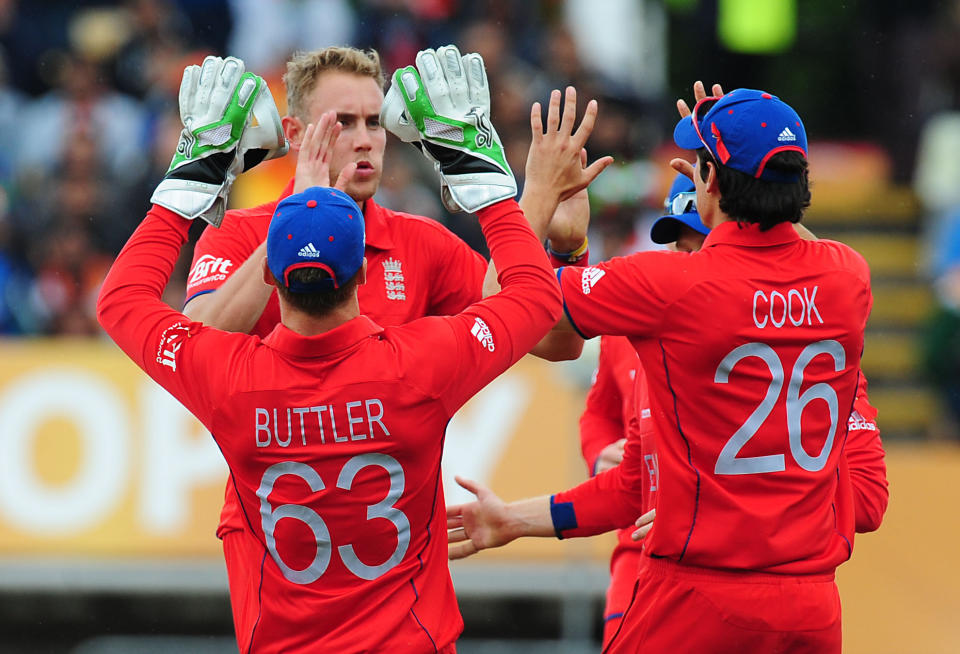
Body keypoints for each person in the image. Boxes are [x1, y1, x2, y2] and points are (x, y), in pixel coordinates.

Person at [97, 54, 590, 652]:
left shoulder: (420, 242)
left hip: (292, 557)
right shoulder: (250, 237)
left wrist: (569, 245)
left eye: (374, 123)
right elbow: (527, 310)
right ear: (298, 135)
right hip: (382, 575)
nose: (364, 141)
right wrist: (514, 196)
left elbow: (559, 341)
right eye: (344, 123)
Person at [447, 85, 875, 653]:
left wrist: (544, 199)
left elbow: (503, 302)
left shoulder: (670, 284)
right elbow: (795, 241)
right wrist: (738, 167)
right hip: (811, 609)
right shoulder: (848, 277)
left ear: (711, 182)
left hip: (700, 599)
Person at [581, 173, 888, 647]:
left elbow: (866, 502)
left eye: (697, 245)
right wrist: (603, 455)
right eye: (676, 246)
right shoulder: (635, 320)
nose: (685, 259)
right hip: (650, 560)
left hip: (701, 583)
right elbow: (604, 426)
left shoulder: (828, 361)